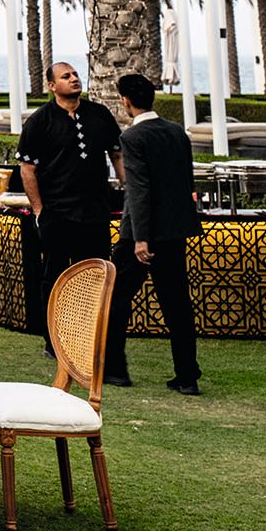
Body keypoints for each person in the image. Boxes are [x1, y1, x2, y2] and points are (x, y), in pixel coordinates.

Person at [104, 73, 201, 394]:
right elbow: (186, 182)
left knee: (117, 298)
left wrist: (142, 238)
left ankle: (115, 369)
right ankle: (187, 375)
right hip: (174, 231)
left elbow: (139, 189)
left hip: (140, 233)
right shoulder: (177, 132)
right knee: (177, 304)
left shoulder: (132, 138)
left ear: (125, 101)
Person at [15, 61, 123, 335]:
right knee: (55, 277)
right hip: (57, 214)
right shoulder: (40, 121)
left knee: (95, 276)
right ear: (52, 86)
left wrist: (130, 191)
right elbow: (27, 169)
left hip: (96, 213)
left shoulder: (99, 114)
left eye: (75, 74)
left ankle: (89, 338)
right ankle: (54, 340)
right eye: (66, 76)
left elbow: (117, 154)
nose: (74, 79)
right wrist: (39, 212)